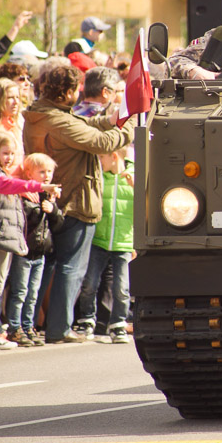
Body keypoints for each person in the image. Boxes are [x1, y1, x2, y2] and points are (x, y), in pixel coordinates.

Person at [23, 65, 133, 343]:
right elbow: (102, 142)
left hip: (50, 199)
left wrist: (112, 118)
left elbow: (83, 127)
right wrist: (132, 123)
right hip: (74, 201)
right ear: (68, 92)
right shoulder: (57, 120)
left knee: (46, 265)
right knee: (71, 267)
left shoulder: (42, 115)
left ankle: (31, 325)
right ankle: (59, 328)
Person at [0, 133, 59, 349]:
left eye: (13, 153)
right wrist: (36, 187)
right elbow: (4, 184)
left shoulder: (2, 173)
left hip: (6, 238)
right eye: (5, 153)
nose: (10, 157)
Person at [75, 147, 134, 344]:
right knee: (90, 283)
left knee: (121, 287)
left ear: (114, 156)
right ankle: (87, 320)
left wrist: (137, 189)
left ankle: (118, 324)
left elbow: (147, 209)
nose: (99, 160)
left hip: (124, 243)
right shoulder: (100, 177)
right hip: (99, 240)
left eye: (101, 156)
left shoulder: (136, 177)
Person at [6, 153, 63, 347]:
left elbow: (58, 225)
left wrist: (53, 209)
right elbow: (24, 222)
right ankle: (15, 327)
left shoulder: (49, 197)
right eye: (42, 172)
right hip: (25, 251)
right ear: (30, 174)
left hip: (40, 253)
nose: (46, 175)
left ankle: (29, 326)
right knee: (20, 291)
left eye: (49, 172)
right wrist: (39, 209)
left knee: (33, 293)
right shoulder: (26, 195)